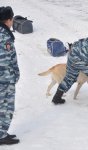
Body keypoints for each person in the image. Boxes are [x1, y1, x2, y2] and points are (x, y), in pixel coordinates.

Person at [0, 6, 20, 145]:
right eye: (12, 18)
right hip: (4, 79)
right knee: (6, 107)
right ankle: (1, 136)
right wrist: (14, 74)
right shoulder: (4, 36)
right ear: (8, 20)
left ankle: (1, 132)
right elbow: (6, 59)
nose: (12, 21)